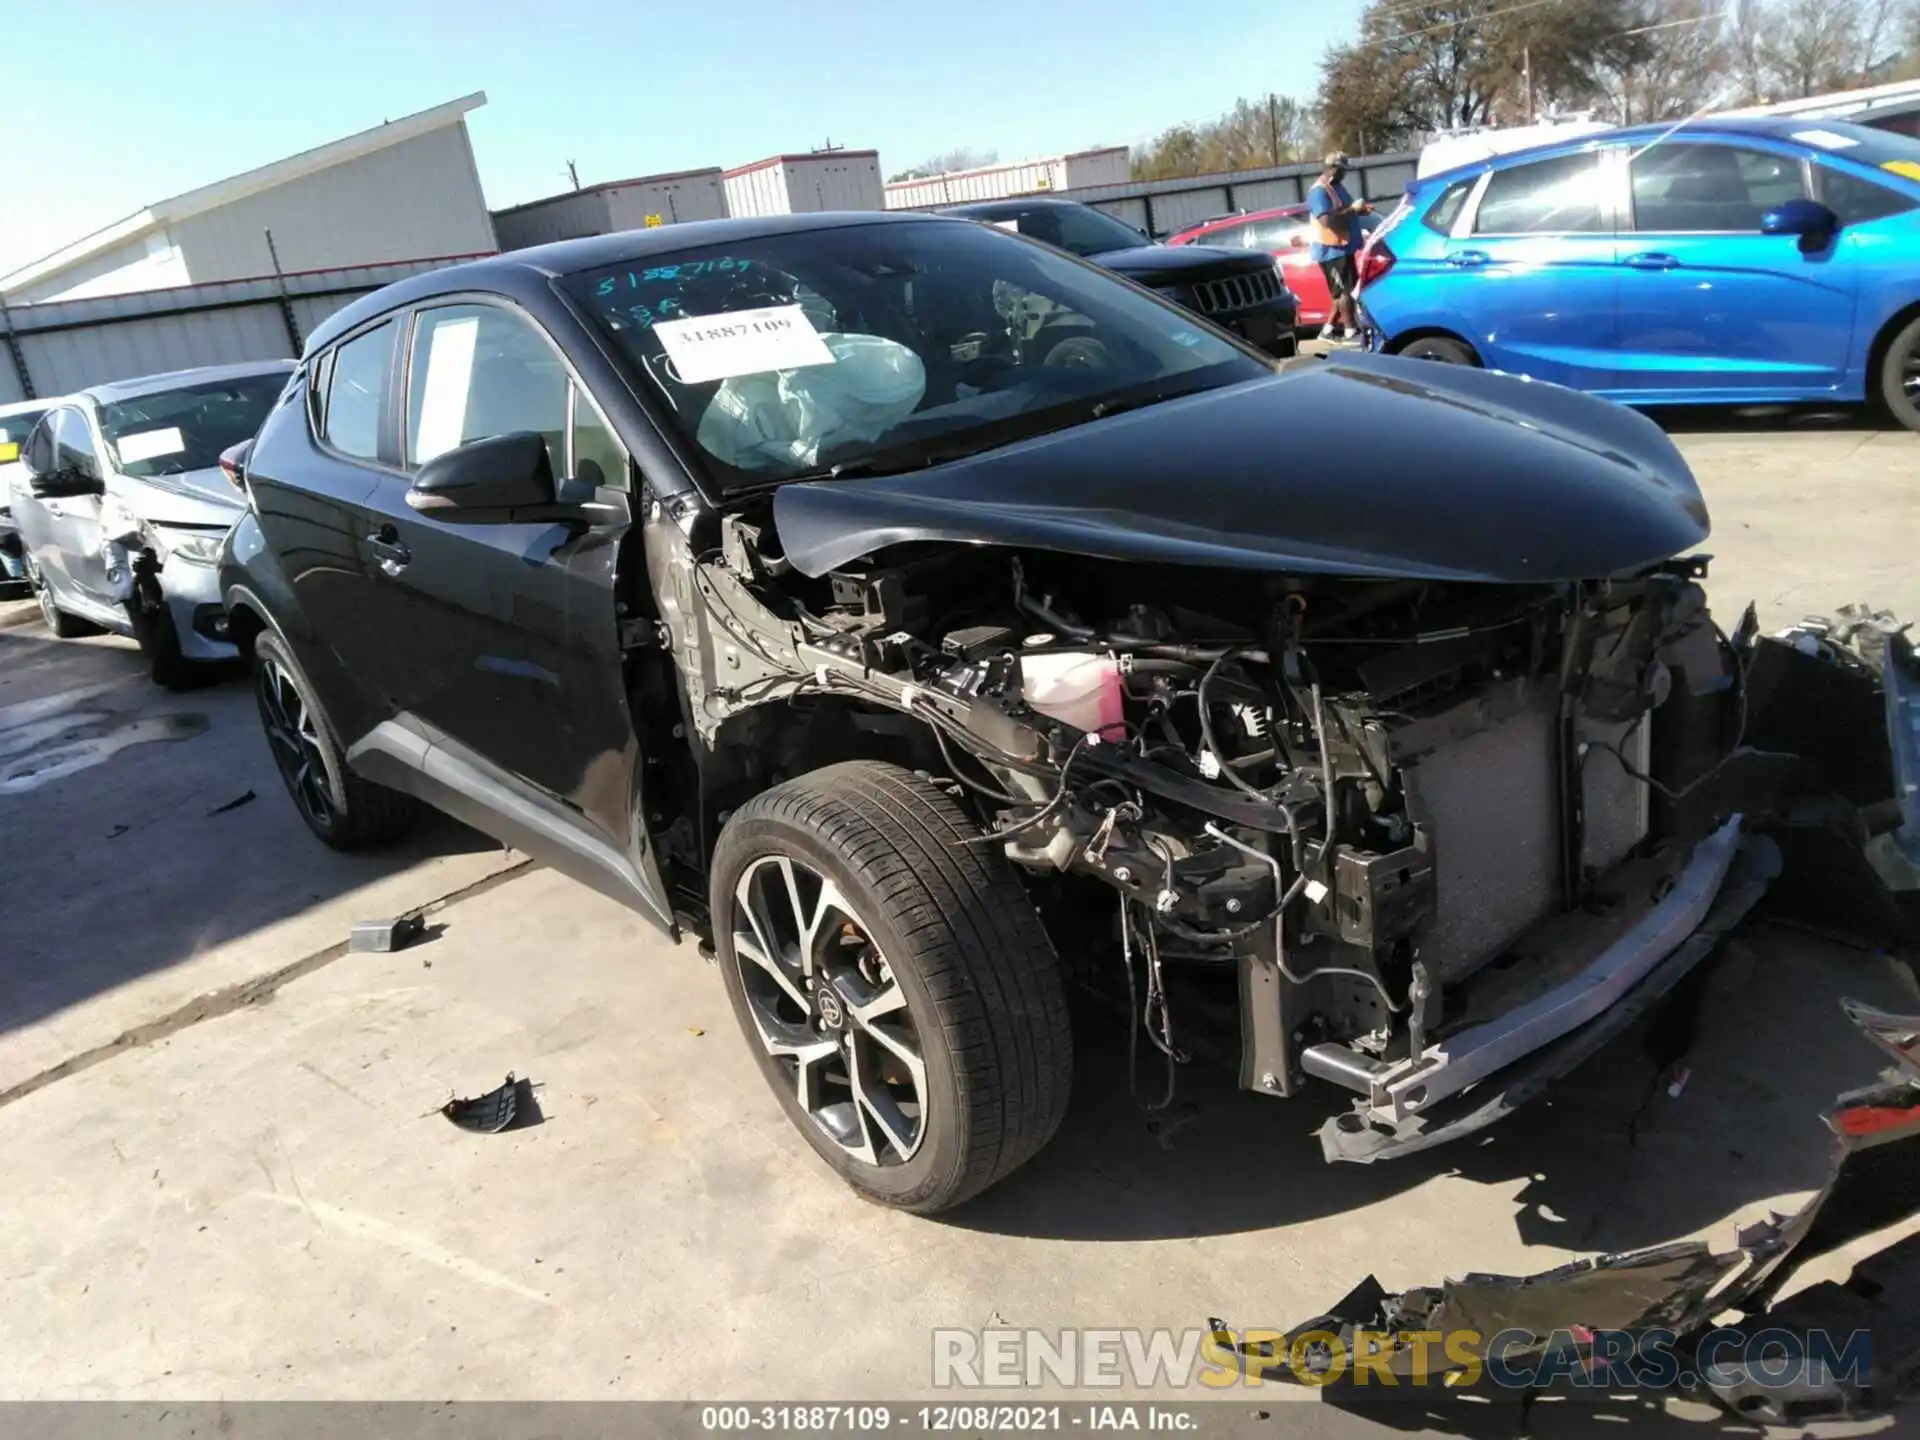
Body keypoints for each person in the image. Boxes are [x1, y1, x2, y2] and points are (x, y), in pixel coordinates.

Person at [1308, 151, 1372, 343]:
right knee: (1344, 292)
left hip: (1343, 247)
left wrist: (1359, 211)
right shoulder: (1319, 191)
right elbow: (1327, 221)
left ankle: (1327, 331)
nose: (1345, 174)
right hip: (1331, 250)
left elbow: (1343, 212)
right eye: (1343, 170)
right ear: (1333, 169)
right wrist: (1353, 210)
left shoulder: (1336, 188)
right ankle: (1350, 330)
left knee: (1343, 292)